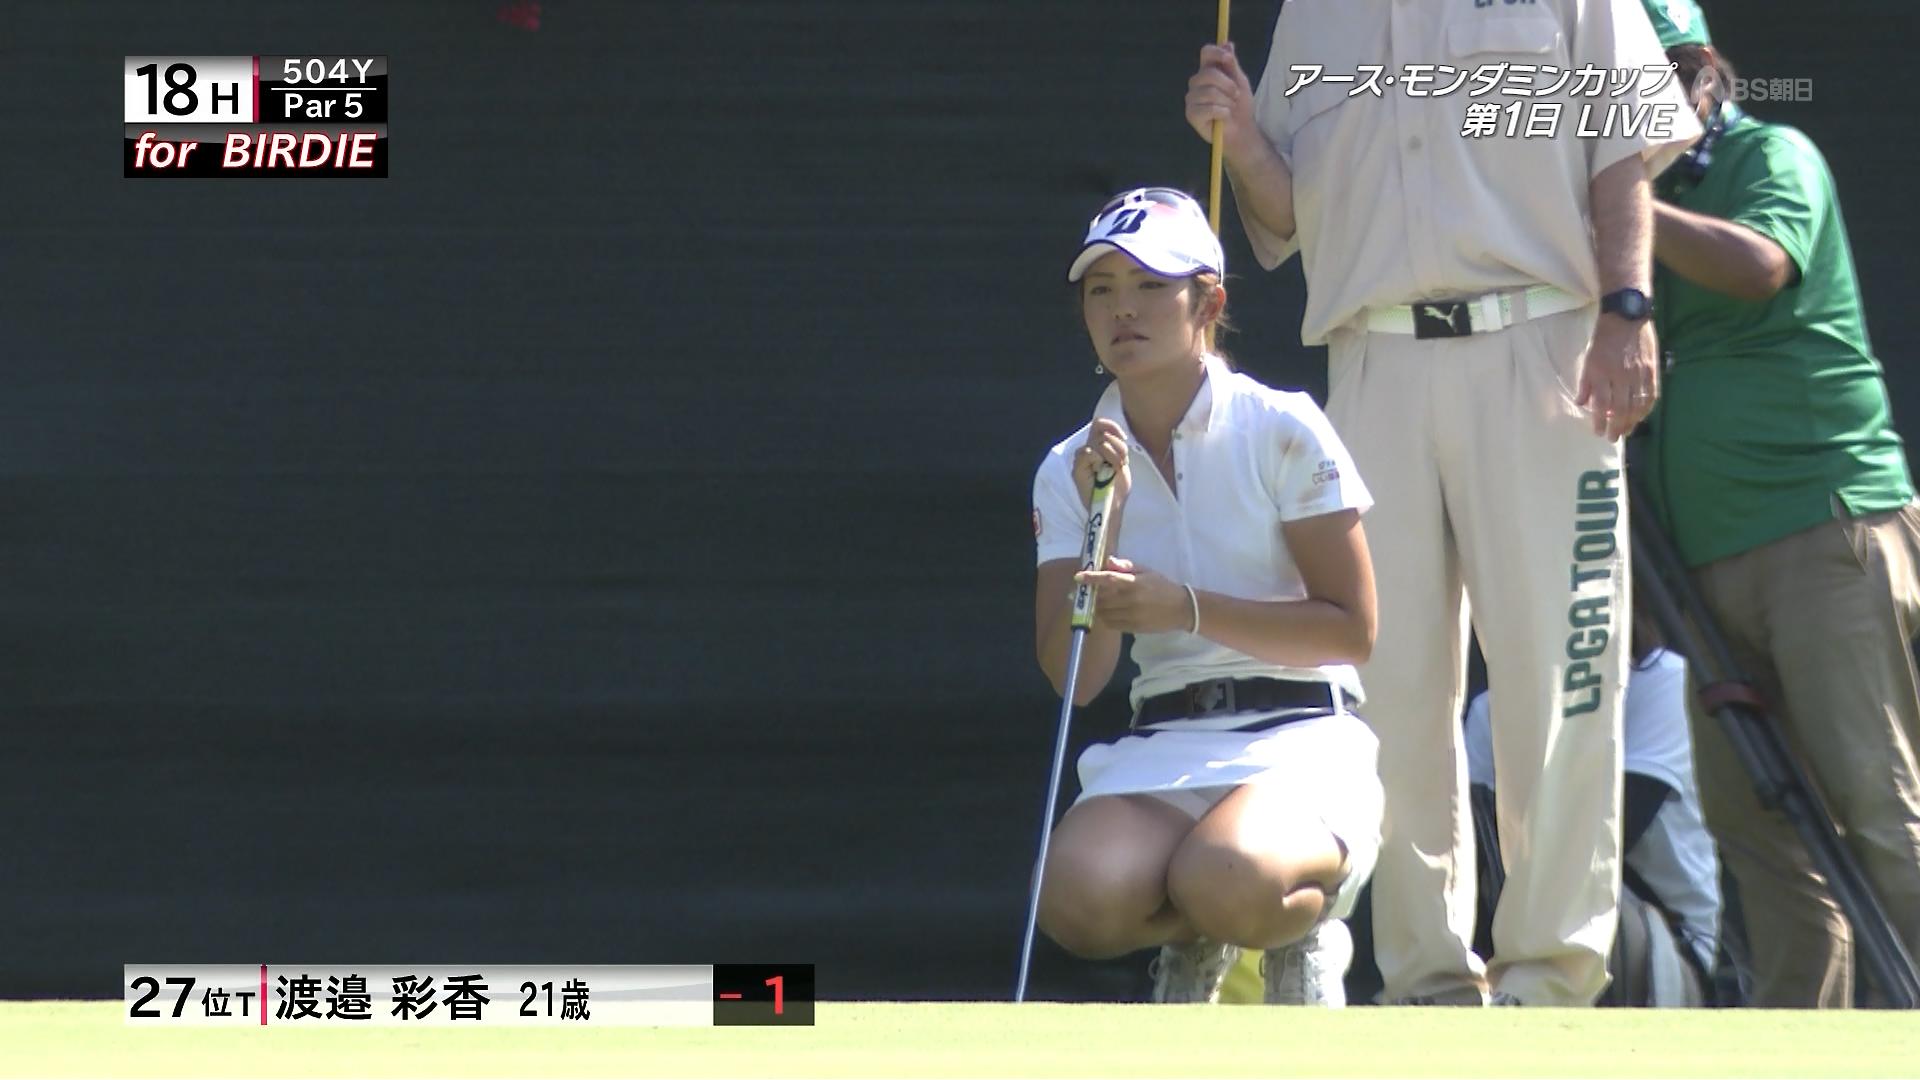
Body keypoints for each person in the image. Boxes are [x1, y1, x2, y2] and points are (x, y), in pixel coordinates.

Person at [1185, 2, 1700, 1005]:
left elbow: (1624, 148)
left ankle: (1550, 979)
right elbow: (1285, 218)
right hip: (1372, 358)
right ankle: (1424, 981)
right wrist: (1242, 140)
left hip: (1544, 344)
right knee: (1389, 688)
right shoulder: (1314, 15)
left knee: (1559, 672)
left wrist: (1628, 309)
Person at [1031, 187, 1384, 1006]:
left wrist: (1186, 609)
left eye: (1152, 285)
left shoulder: (1282, 426)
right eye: (1101, 289)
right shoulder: (1069, 468)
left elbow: (1353, 631)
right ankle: (1200, 937)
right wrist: (1102, 525)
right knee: (1077, 899)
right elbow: (1075, 679)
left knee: (1227, 872)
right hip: (1166, 741)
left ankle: (1304, 923)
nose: (1123, 309)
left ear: (1209, 304)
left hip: (1301, 732)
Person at [1637, 0, 1920, 1008]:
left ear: (1708, 73)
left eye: (1664, 71)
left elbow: (1761, 264)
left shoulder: (1771, 153)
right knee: (1757, 831)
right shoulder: (1639, 193)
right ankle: (1800, 1050)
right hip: (1706, 566)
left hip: (1823, 530)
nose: (1641, 96)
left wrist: (1622, 207)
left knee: (1881, 812)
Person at [1464, 585, 1723, 1006]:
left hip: (1661, 936)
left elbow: (1614, 831)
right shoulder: (1492, 708)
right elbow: (1474, 845)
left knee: (1572, 897)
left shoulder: (1663, 679)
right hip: (1523, 922)